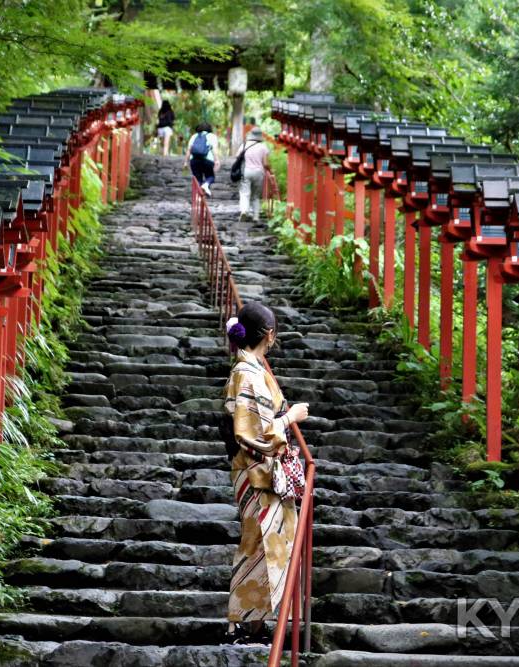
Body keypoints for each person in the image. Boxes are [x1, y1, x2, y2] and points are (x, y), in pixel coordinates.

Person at [222, 302, 309, 644]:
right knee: (255, 543)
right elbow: (254, 431)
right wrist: (290, 418)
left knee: (264, 544)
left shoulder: (251, 369)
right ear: (269, 335)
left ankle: (254, 625)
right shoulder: (247, 374)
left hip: (261, 472)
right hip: (255, 470)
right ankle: (238, 625)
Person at [236, 127, 271, 221]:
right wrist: (270, 171)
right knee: (256, 196)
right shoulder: (263, 147)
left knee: (244, 193)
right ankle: (256, 216)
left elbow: (237, 156)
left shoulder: (245, 145)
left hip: (246, 171)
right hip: (259, 172)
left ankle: (244, 211)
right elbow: (266, 164)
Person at [183, 122, 219, 196]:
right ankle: (206, 185)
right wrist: (217, 160)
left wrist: (186, 162)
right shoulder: (212, 136)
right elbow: (214, 149)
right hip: (207, 160)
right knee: (210, 176)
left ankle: (198, 197)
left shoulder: (194, 136)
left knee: (197, 179)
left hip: (194, 160)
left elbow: (189, 150)